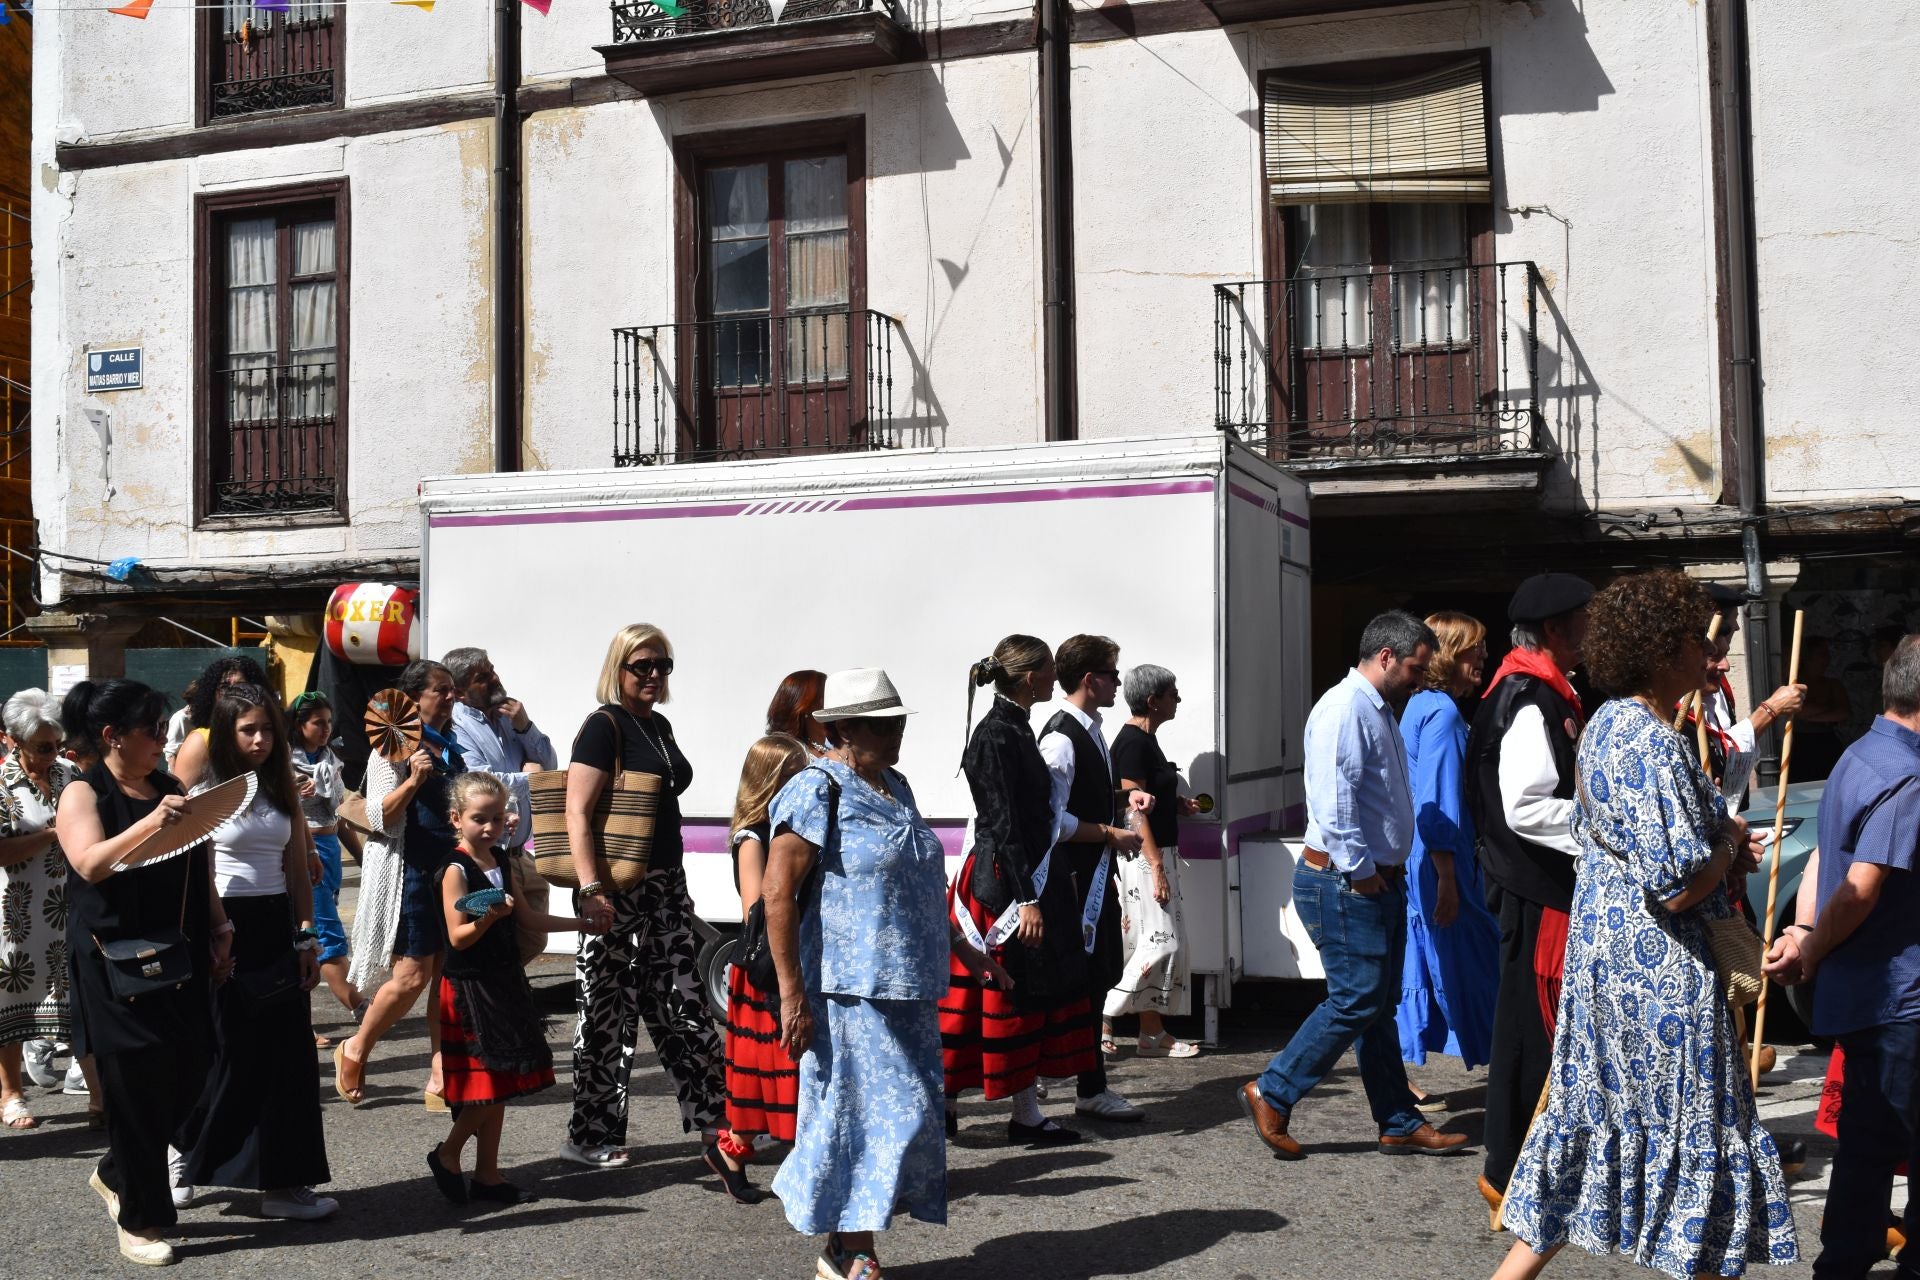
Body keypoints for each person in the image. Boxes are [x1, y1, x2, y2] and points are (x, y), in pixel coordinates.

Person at [1495, 570, 1797, 1278]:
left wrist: (1711, 842)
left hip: (1612, 970)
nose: (1711, 654)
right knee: (1694, 1142)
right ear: (1662, 651)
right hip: (1661, 980)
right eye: (1699, 641)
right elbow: (1678, 888)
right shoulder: (1650, 741)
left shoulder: (1607, 722)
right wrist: (1726, 844)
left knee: (1601, 1138)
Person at [761, 668, 1010, 1280]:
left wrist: (967, 951)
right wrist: (792, 993)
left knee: (910, 1115)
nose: (895, 732)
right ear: (843, 728)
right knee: (868, 1116)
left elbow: (919, 886)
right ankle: (851, 1247)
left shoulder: (896, 784)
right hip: (848, 990)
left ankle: (850, 1243)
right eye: (880, 723)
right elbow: (777, 892)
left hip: (909, 985)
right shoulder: (815, 789)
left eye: (897, 720)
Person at [1238, 611, 1467, 1160]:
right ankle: (1272, 1089)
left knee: (1376, 1005)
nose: (1419, 677)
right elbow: (1335, 808)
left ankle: (1397, 1120)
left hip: (1366, 881)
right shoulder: (1346, 709)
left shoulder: (1377, 706)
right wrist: (1366, 878)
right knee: (1358, 999)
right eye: (1414, 666)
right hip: (1344, 882)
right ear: (1386, 657)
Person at [563, 623, 752, 1198]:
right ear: (617, 667)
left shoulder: (658, 726)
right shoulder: (603, 727)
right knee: (605, 1014)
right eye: (641, 665)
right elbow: (577, 812)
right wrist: (592, 888)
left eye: (662, 666)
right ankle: (589, 1134)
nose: (652, 676)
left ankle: (717, 1131)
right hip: (618, 892)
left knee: (687, 1007)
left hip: (666, 887)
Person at [55, 679, 230, 1267]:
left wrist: (220, 925)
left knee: (194, 1071)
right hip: (111, 959)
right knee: (134, 1090)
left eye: (162, 726)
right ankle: (141, 1219)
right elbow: (90, 863)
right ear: (112, 736)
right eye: (151, 728)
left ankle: (114, 1171)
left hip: (177, 949)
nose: (163, 738)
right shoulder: (83, 792)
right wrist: (154, 820)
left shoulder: (168, 786)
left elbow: (197, 861)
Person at [1764, 632, 1920, 1279]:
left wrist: (1802, 933)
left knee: (1865, 1143)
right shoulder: (1908, 773)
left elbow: (1828, 857)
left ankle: (1846, 1263)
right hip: (1899, 995)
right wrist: (1813, 943)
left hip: (1866, 993)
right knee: (1883, 1142)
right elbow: (1859, 889)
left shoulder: (1860, 754)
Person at [177, 683, 335, 1221]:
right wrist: (217, 930)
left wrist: (307, 934)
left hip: (276, 925)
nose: (262, 738)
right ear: (226, 733)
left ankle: (283, 1185)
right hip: (223, 925)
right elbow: (196, 871)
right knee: (221, 1053)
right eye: (249, 729)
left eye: (268, 728)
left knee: (287, 1059)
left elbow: (296, 867)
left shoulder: (282, 786)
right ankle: (183, 1157)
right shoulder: (206, 790)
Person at [1466, 572, 1593, 1220]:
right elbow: (1526, 806)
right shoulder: (1528, 698)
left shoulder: (1540, 693)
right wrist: (1599, 829)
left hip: (1536, 882)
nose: (1589, 634)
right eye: (1582, 621)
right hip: (1535, 884)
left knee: (1526, 1025)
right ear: (1554, 630)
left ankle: (1514, 1163)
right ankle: (1511, 1166)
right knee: (1531, 1028)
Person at [943, 636, 1097, 1145]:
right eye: (1051, 669)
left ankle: (1022, 1111)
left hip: (1024, 875)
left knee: (1025, 994)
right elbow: (1002, 823)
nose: (1056, 677)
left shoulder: (1016, 727)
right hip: (1002, 885)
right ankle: (946, 1101)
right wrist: (1027, 898)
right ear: (1031, 676)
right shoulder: (995, 735)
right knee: (992, 999)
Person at [428, 772, 599, 1208]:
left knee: (503, 1081)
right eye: (478, 819)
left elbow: (526, 918)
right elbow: (457, 936)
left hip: (504, 978)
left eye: (497, 818)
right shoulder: (454, 869)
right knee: (492, 1084)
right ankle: (448, 1153)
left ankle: (488, 1174)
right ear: (456, 819)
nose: (488, 827)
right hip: (470, 986)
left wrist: (581, 923)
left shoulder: (501, 860)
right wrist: (487, 918)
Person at [336, 659, 465, 1108]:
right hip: (409, 870)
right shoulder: (392, 745)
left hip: (450, 872)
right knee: (411, 976)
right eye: (441, 690)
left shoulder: (452, 747)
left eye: (452, 689)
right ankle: (355, 1047)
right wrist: (413, 779)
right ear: (414, 698)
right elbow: (380, 816)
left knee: (446, 976)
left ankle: (440, 1073)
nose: (451, 697)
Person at [1038, 634, 1148, 1123]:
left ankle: (1088, 1082)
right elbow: (1051, 820)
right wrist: (1108, 833)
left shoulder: (1092, 728)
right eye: (1111, 672)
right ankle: (1081, 1082)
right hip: (1074, 879)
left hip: (1094, 875)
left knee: (1098, 975)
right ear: (1090, 679)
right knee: (1077, 979)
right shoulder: (1061, 737)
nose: (1118, 681)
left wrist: (1126, 803)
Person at [1395, 613, 1500, 1083]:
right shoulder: (1441, 711)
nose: (1482, 657)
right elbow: (1436, 800)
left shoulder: (1421, 704)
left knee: (1430, 957)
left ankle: (1398, 1073)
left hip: (1430, 855)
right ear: (1449, 655)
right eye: (1473, 649)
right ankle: (1508, 1061)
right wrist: (1450, 879)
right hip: (1442, 857)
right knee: (1472, 959)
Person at [0, 690, 94, 1131]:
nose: (53, 754)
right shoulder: (2, 785)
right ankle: (12, 1093)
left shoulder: (69, 773)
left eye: (56, 743)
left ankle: (97, 1094)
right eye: (42, 747)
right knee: (12, 999)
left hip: (67, 902)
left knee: (80, 994)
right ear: (12, 741)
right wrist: (53, 835)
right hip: (16, 909)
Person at [1102, 663, 1199, 1058]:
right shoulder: (1131, 743)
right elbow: (1131, 810)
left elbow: (1147, 798)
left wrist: (1176, 804)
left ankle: (1151, 1034)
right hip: (1143, 857)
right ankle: (1103, 1011)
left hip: (1157, 854)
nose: (1178, 700)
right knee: (1164, 942)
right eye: (1172, 694)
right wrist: (1156, 864)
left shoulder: (1147, 740)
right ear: (1152, 700)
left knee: (1143, 941)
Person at [722, 734, 810, 1152]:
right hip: (765, 967)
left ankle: (735, 1153)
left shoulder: (783, 827)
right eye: (793, 773)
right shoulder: (752, 837)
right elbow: (755, 911)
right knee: (775, 1069)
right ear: (770, 779)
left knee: (777, 1070)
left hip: (779, 960)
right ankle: (734, 1150)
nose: (802, 781)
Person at [1678, 584, 1805, 804]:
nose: (1726, 666)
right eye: (1731, 622)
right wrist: (1769, 711)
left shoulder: (1719, 686)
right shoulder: (1669, 707)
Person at [288, 691, 362, 1037]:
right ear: (299, 725)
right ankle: (362, 1007)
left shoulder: (330, 760)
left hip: (329, 848)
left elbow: (340, 815)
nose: (325, 729)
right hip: (306, 850)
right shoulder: (284, 763)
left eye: (329, 722)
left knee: (309, 934)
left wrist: (362, 857)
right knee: (325, 934)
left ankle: (302, 1021)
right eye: (318, 722)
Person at [166, 655, 270, 789]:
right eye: (224, 687)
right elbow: (179, 799)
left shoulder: (270, 737)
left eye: (241, 686)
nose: (232, 692)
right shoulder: (201, 741)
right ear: (212, 695)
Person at [1791, 635, 1852, 782]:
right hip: (1801, 745)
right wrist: (1826, 709)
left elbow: (1843, 713)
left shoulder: (1832, 685)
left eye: (1827, 654)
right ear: (1807, 657)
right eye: (1821, 654)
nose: (1826, 660)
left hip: (1828, 743)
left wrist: (1809, 715)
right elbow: (1798, 711)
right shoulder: (1794, 683)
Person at [766, 670, 831, 756]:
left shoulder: (833, 746)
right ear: (806, 707)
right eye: (826, 696)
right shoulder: (790, 756)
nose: (832, 702)